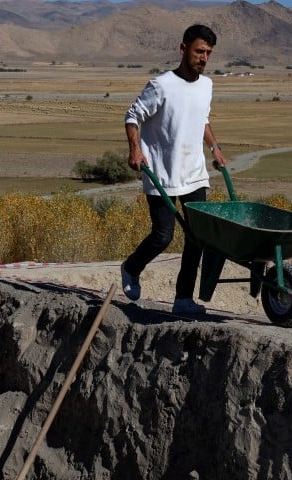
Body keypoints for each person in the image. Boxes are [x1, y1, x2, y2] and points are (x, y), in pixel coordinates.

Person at [121, 23, 228, 315]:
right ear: (183, 49)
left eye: (208, 53)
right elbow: (133, 116)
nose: (204, 58)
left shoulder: (207, 85)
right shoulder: (162, 85)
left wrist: (214, 147)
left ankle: (183, 299)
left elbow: (201, 119)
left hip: (194, 174)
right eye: (198, 51)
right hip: (162, 174)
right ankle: (131, 267)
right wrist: (135, 149)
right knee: (163, 236)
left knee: (198, 238)